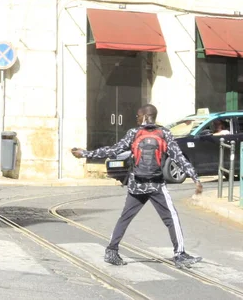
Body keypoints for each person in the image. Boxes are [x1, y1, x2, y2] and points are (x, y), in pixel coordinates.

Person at [71, 104, 203, 269]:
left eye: (137, 116)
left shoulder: (133, 133)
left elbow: (113, 150)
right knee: (171, 218)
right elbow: (179, 157)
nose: (136, 118)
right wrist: (195, 177)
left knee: (125, 217)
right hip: (156, 185)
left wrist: (86, 153)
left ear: (144, 116)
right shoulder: (164, 134)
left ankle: (111, 251)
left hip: (136, 184)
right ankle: (180, 254)